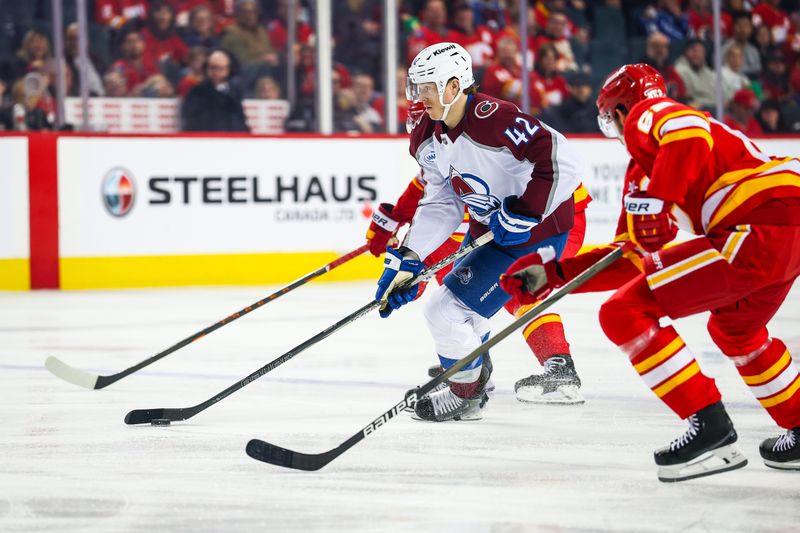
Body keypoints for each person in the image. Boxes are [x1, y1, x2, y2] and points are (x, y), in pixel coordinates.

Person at [501, 63, 800, 481]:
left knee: (622, 313)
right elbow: (630, 257)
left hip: (757, 223)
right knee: (736, 330)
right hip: (781, 230)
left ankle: (709, 426)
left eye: (610, 120)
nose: (617, 132)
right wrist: (553, 276)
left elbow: (687, 136)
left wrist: (661, 200)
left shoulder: (649, 114)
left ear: (620, 110)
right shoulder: (643, 171)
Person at [374, 42, 583, 422]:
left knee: (444, 311)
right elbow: (441, 201)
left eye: (427, 88)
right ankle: (472, 379)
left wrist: (524, 213)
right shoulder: (426, 133)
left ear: (454, 87)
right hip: (492, 226)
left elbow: (563, 161)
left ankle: (465, 394)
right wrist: (410, 256)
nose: (419, 98)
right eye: (416, 88)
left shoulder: (494, 119)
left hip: (536, 231)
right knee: (465, 311)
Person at [181, 49, 249, 132]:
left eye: (221, 68)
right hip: (206, 138)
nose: (216, 72)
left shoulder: (234, 92)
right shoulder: (196, 91)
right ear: (206, 68)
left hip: (231, 139)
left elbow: (240, 120)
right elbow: (191, 120)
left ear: (228, 70)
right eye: (213, 68)